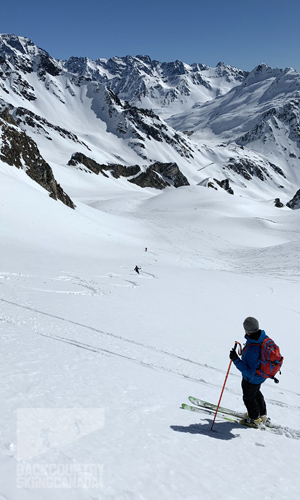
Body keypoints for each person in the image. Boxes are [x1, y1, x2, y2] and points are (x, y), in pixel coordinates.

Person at [229, 316, 269, 428]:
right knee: (256, 393)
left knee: (248, 398)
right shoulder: (262, 338)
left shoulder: (253, 348)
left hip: (251, 378)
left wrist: (235, 359)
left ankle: (254, 419)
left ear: (247, 330)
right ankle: (262, 414)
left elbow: (249, 371)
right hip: (261, 376)